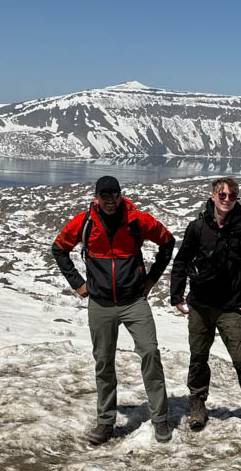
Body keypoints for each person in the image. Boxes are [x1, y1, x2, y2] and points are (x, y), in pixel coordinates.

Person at [51, 175, 176, 444]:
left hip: (134, 301)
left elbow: (168, 242)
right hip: (100, 303)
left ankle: (160, 419)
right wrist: (78, 285)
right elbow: (59, 249)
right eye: (104, 195)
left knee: (150, 353)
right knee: (104, 362)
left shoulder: (138, 221)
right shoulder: (83, 223)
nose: (110, 200)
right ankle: (105, 422)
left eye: (114, 195)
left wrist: (152, 279)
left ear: (120, 195)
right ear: (96, 197)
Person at [169, 177, 241, 441]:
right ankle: (197, 403)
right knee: (198, 356)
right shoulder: (197, 228)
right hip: (200, 305)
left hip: (231, 307)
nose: (227, 199)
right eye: (222, 195)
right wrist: (176, 295)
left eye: (232, 196)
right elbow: (181, 261)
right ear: (213, 196)